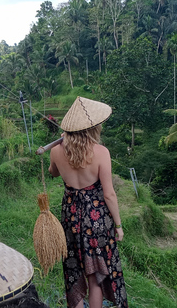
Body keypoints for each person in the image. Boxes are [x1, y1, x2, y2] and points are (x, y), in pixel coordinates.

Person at [48, 96, 128, 308]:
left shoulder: (56, 151)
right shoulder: (101, 153)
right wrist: (118, 225)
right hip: (96, 220)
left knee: (74, 271)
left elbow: (53, 173)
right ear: (92, 127)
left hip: (71, 217)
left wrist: (62, 146)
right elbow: (109, 194)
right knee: (96, 278)